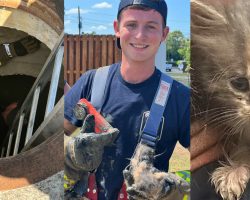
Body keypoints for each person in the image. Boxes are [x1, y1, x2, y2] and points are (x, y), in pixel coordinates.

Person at [64, 0, 190, 199]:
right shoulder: (91, 82)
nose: (140, 35)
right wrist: (70, 154)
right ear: (117, 28)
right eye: (131, 25)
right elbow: (49, 140)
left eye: (151, 26)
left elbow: (214, 166)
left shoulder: (180, 98)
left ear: (164, 34)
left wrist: (172, 188)